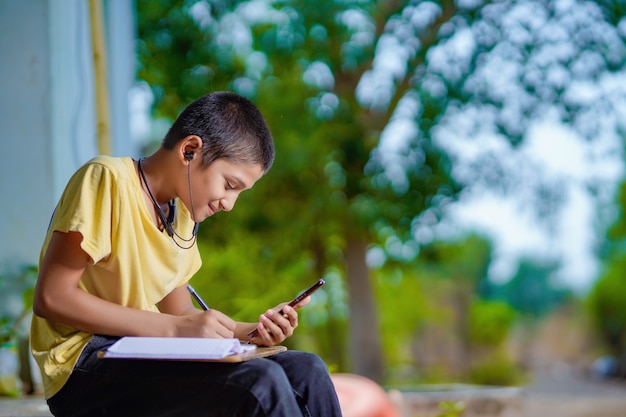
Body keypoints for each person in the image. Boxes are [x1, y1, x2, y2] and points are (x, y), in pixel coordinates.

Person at [30, 91, 343, 417]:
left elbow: (179, 312)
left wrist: (251, 333)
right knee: (258, 383)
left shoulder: (180, 215)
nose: (229, 204)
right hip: (82, 366)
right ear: (190, 151)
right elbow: (52, 297)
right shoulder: (106, 179)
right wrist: (175, 331)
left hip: (145, 350)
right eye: (230, 185)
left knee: (307, 370)